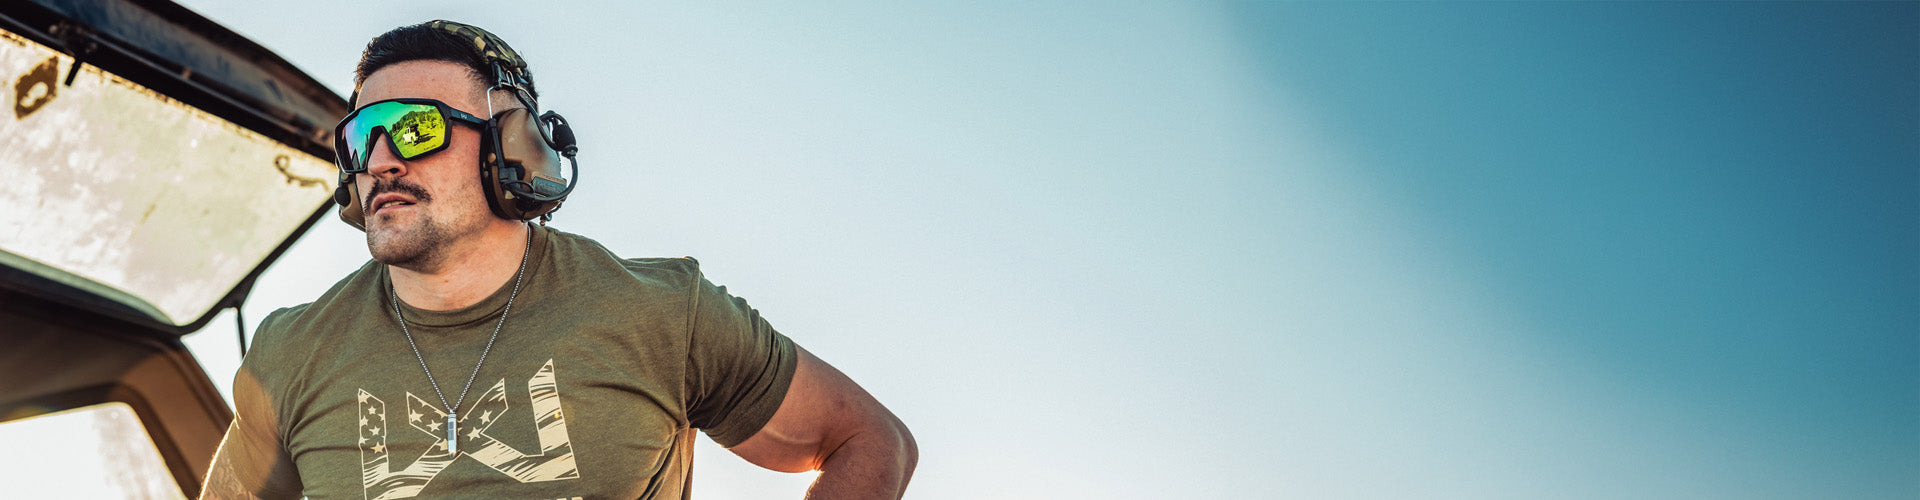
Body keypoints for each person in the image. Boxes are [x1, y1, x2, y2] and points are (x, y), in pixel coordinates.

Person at [200, 20, 916, 500]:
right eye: (361, 140)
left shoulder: (663, 312)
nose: (380, 161)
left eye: (414, 128)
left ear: (513, 150)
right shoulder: (289, 351)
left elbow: (868, 440)